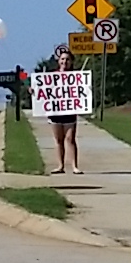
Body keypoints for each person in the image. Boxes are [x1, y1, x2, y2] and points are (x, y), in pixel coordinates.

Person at [46, 44, 82, 173]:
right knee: (59, 140)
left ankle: (74, 166)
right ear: (58, 61)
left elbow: (82, 92)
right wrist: (34, 90)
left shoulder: (77, 78)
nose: (64, 62)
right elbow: (44, 91)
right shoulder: (51, 76)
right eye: (62, 59)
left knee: (70, 139)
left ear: (71, 62)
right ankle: (60, 166)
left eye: (67, 59)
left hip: (70, 112)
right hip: (55, 112)